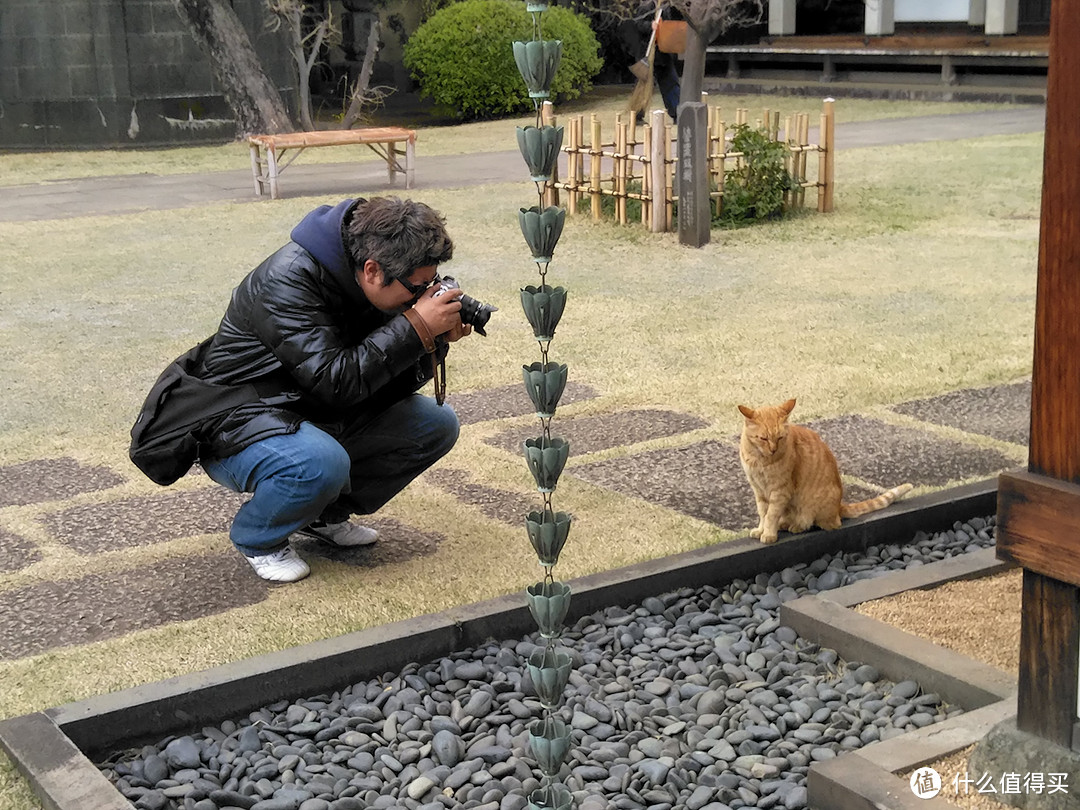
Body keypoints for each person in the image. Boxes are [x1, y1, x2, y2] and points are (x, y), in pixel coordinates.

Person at [130, 197, 470, 583]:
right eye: (420, 286)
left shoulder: (367, 279)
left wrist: (431, 340)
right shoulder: (287, 281)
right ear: (373, 270)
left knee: (435, 423)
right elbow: (337, 383)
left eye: (433, 284)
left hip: (306, 408)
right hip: (237, 421)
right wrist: (414, 328)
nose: (425, 295)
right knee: (320, 462)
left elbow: (379, 385)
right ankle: (258, 537)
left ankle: (322, 516)